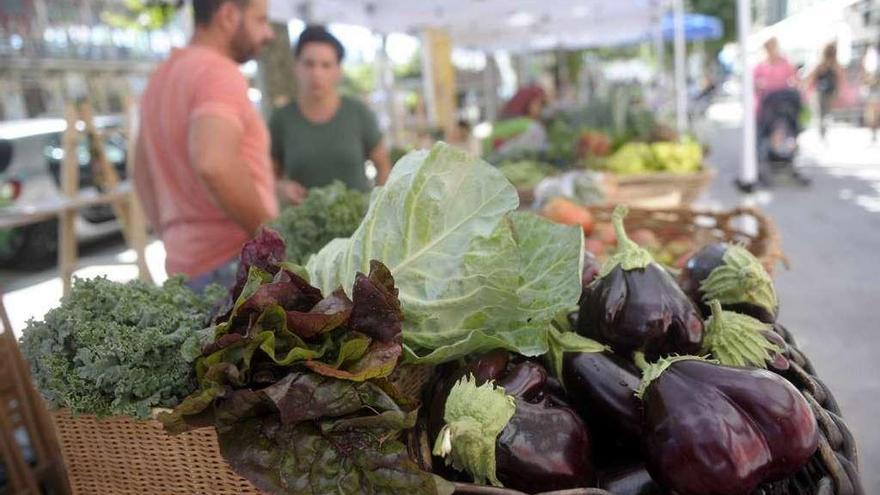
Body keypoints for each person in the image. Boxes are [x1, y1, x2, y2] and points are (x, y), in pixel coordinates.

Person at [133, 0, 277, 292]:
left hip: (185, 267)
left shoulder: (160, 78)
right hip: (234, 266)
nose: (269, 33)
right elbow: (214, 163)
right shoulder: (217, 72)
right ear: (227, 16)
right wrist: (270, 238)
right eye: (260, 20)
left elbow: (140, 174)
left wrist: (175, 237)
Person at [269, 25, 391, 204]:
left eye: (326, 65)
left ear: (338, 71)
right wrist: (279, 187)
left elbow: (383, 166)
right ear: (296, 66)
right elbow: (268, 175)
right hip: (302, 226)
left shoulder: (358, 113)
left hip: (358, 226)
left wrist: (378, 209)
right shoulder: (281, 119)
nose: (316, 73)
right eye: (309, 64)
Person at [807, 42, 846, 138]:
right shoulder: (822, 65)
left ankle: (822, 130)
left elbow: (841, 78)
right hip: (822, 92)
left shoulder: (833, 65)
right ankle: (822, 130)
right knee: (822, 112)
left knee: (824, 113)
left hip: (827, 92)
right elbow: (812, 77)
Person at [753, 37, 798, 115]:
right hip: (767, 100)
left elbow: (795, 79)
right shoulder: (760, 66)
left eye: (773, 46)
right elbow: (754, 83)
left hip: (784, 97)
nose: (771, 49)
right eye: (768, 47)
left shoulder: (785, 62)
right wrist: (759, 85)